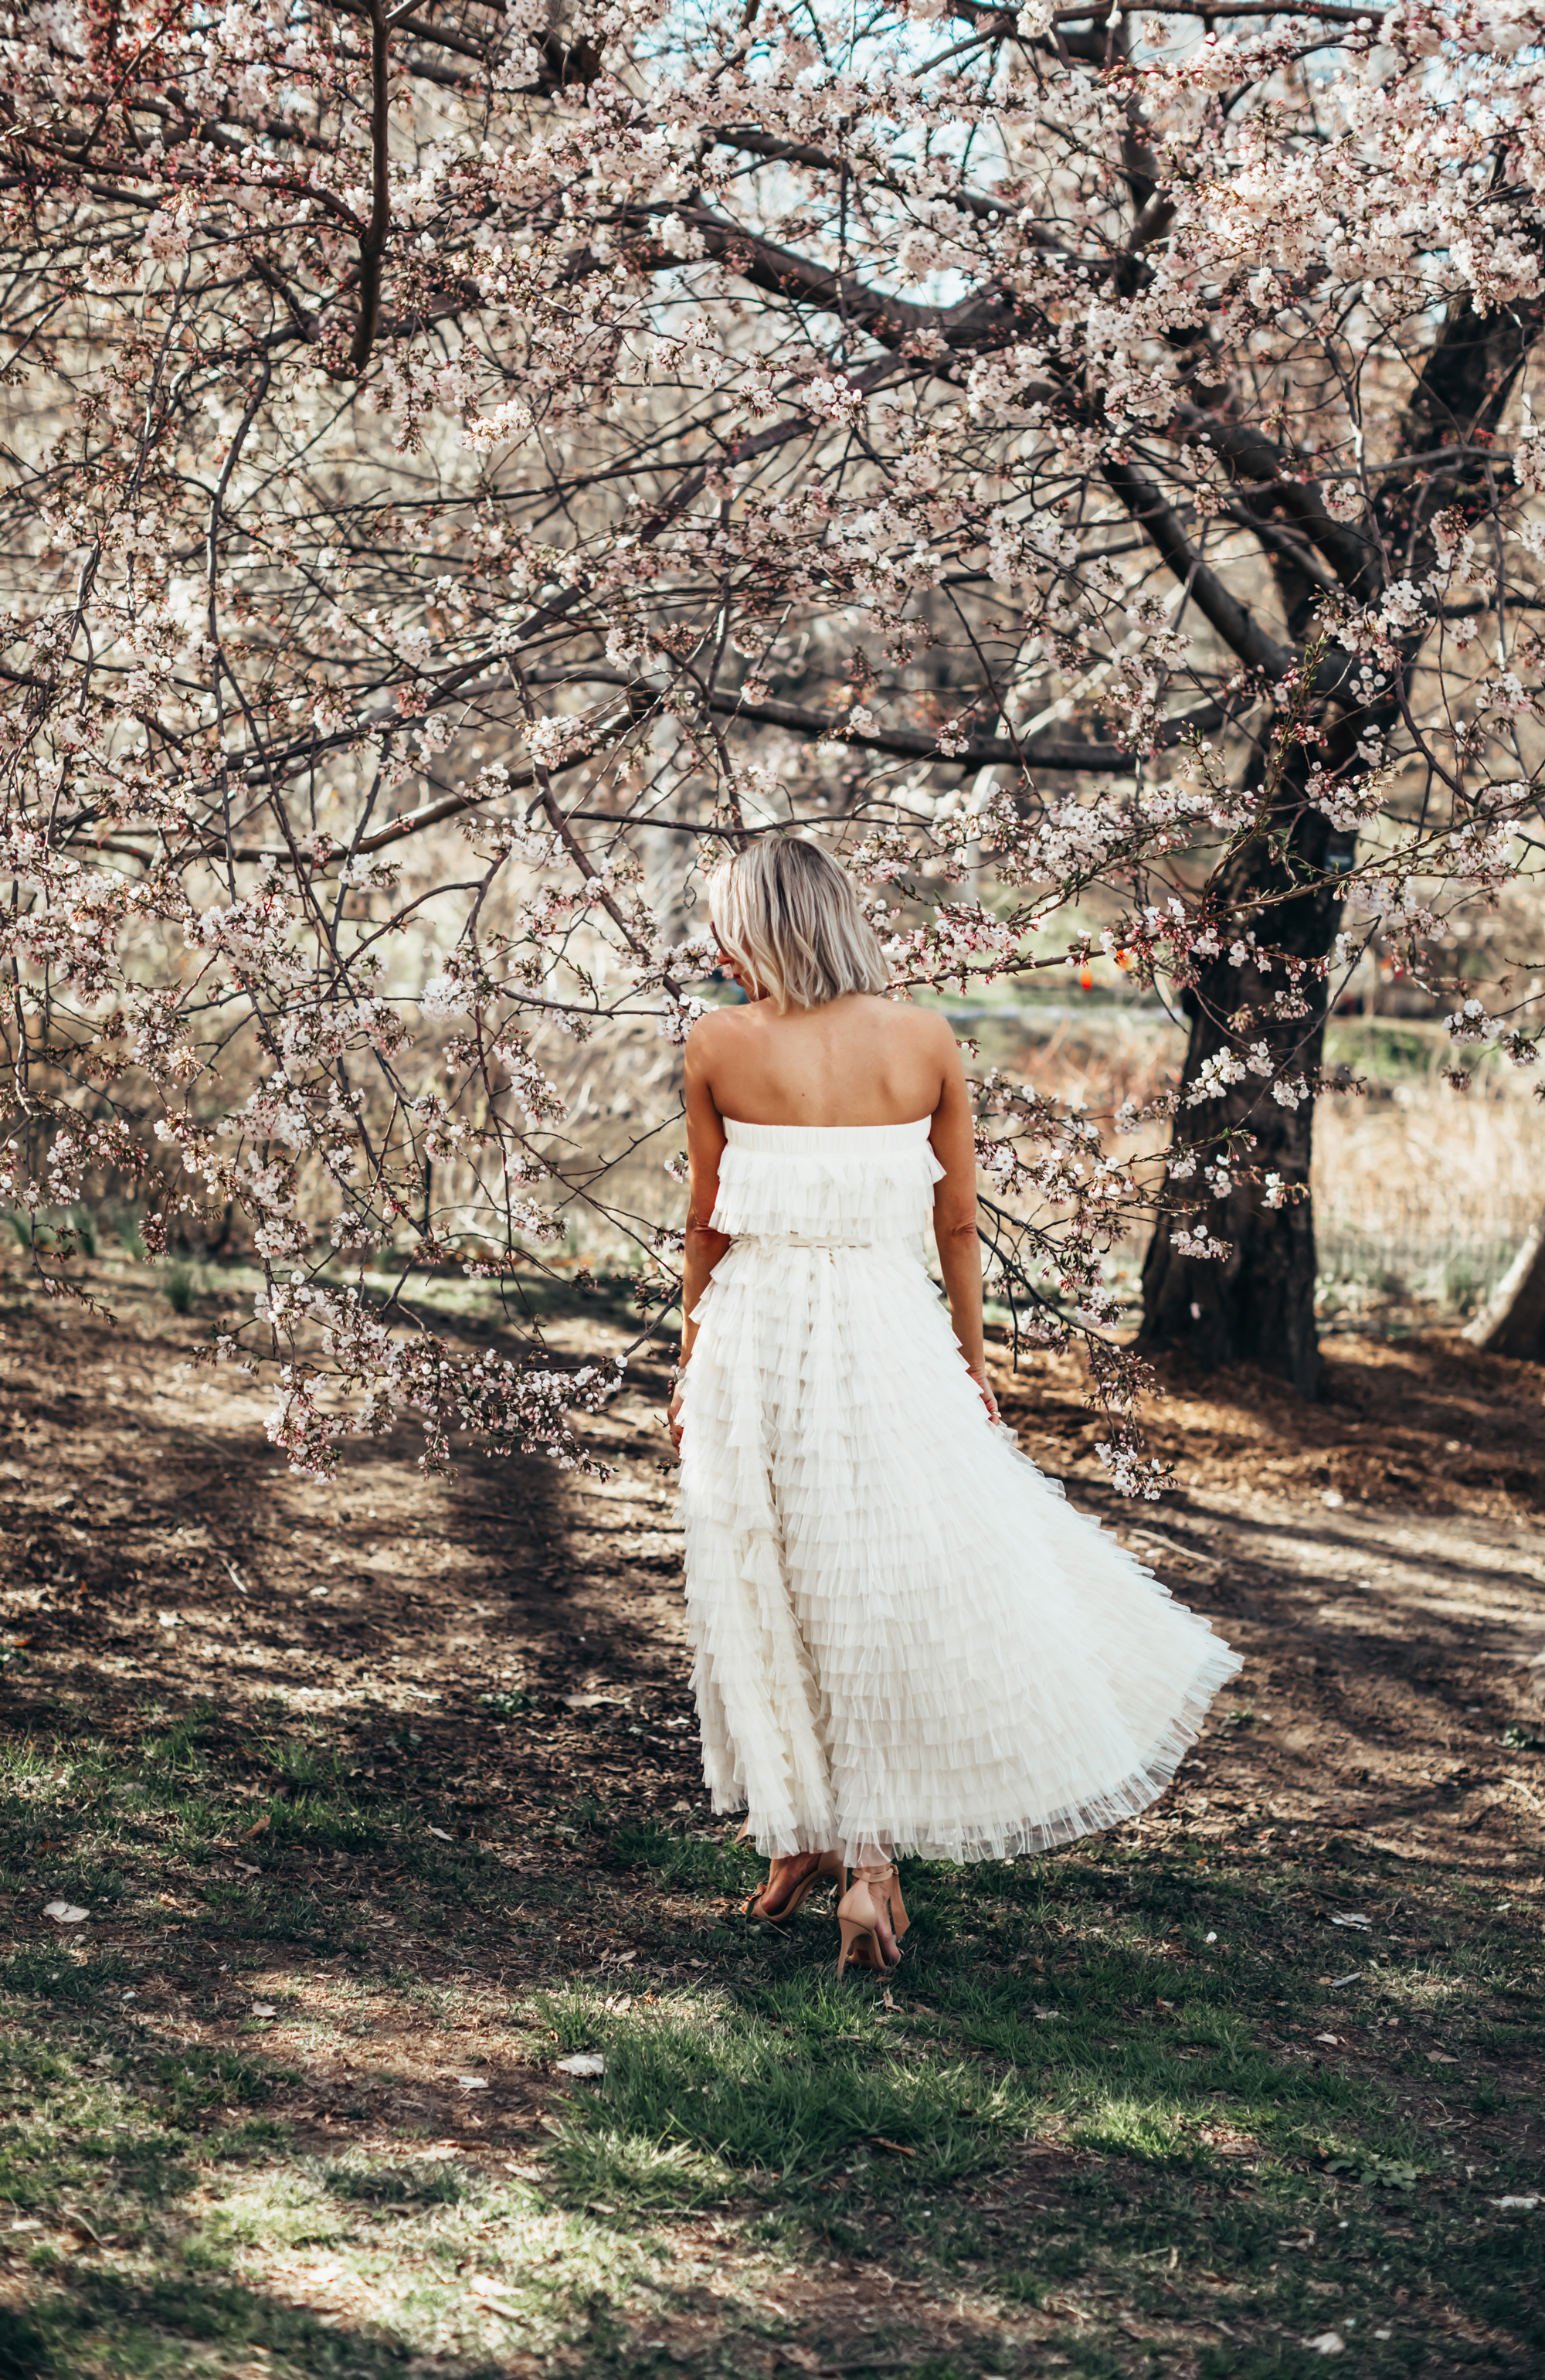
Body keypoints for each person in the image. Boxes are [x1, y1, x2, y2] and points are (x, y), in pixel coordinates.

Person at [669, 838, 1241, 1976]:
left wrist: (688, 1362)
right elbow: (958, 1224)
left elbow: (705, 1222)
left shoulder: (719, 1044)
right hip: (891, 1330)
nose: (720, 949)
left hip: (757, 1334)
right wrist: (972, 1360)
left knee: (770, 1575)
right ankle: (824, 1845)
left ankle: (839, 1843)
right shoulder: (922, 1036)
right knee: (870, 1580)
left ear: (765, 928)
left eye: (729, 926)